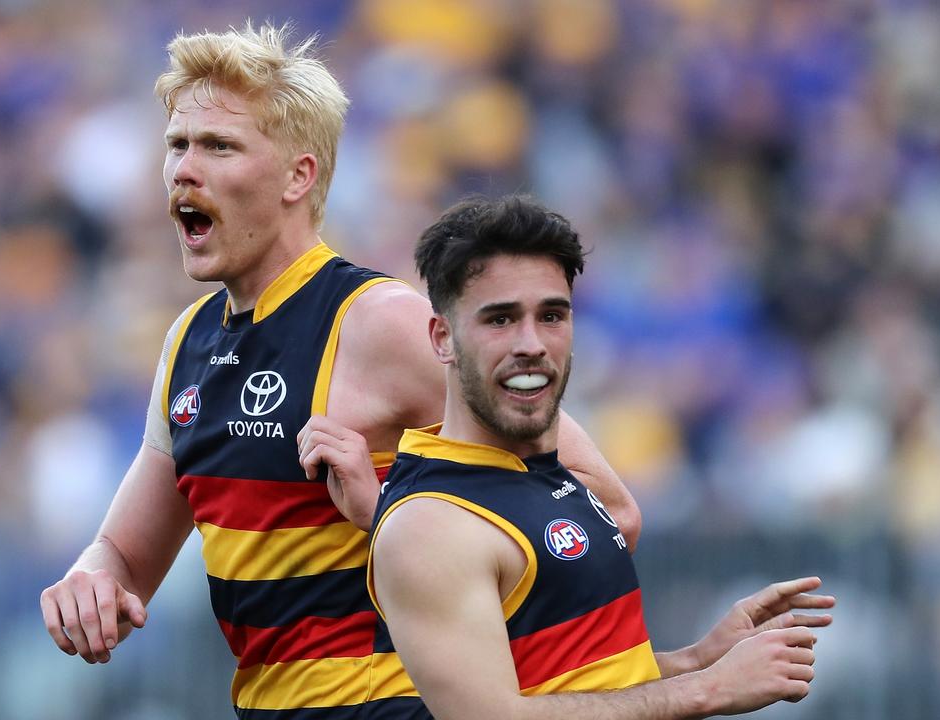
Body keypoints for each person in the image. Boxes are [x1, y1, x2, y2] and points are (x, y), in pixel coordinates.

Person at [39, 23, 640, 718]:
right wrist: (91, 578)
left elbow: (605, 514)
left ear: (300, 175)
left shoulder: (379, 321)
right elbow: (124, 555)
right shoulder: (189, 343)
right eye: (177, 145)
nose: (183, 170)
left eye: (219, 146)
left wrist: (388, 512)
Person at [355, 195, 835, 719]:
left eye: (552, 315)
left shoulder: (548, 471)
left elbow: (583, 679)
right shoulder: (430, 522)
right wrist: (707, 690)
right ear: (442, 339)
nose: (532, 343)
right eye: (500, 319)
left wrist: (700, 658)